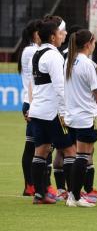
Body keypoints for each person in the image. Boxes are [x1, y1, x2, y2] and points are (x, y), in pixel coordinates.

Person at [26, 18, 72, 205]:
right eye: (60, 33)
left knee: (41, 152)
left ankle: (39, 194)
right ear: (53, 37)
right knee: (71, 151)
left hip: (38, 110)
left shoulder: (37, 53)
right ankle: (74, 195)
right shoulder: (54, 56)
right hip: (52, 112)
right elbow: (60, 87)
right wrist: (64, 112)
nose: (63, 36)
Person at [61, 29, 97, 207]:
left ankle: (74, 194)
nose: (95, 45)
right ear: (88, 44)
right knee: (83, 156)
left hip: (73, 115)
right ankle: (75, 196)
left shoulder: (70, 61)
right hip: (87, 115)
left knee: (80, 155)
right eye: (94, 42)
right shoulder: (87, 63)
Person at [16, 19, 40, 197]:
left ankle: (31, 185)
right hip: (33, 102)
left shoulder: (28, 50)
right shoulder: (32, 50)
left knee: (34, 145)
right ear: (35, 34)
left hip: (32, 101)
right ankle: (30, 185)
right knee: (32, 146)